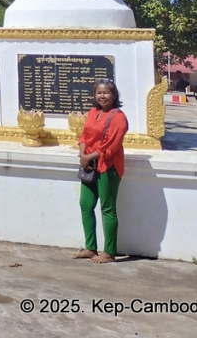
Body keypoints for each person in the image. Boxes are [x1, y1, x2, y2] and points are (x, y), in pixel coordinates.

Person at [73, 81, 128, 263]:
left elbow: (111, 147)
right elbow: (84, 136)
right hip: (89, 165)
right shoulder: (93, 112)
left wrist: (89, 157)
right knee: (85, 205)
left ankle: (109, 253)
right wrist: (83, 155)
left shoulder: (119, 117)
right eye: (99, 92)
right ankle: (90, 248)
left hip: (108, 166)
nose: (102, 96)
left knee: (107, 209)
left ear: (114, 95)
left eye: (106, 93)